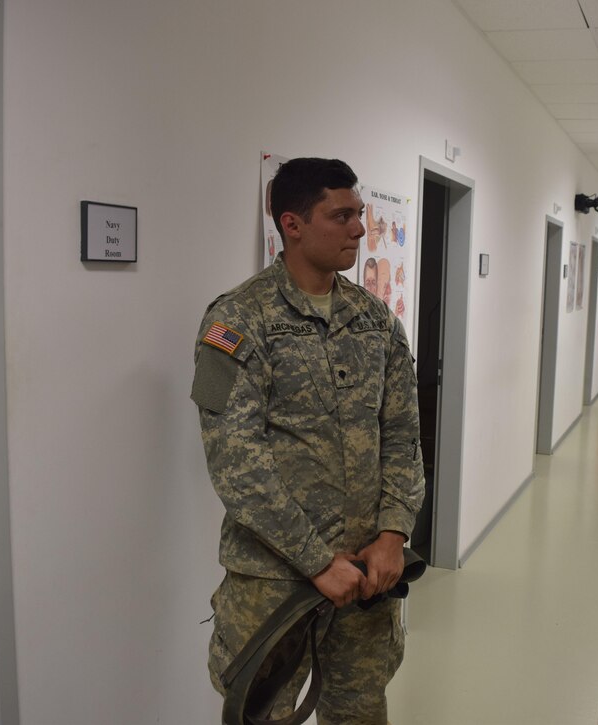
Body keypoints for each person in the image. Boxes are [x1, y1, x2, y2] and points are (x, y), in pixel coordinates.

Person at [191, 157, 425, 724]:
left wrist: (394, 534)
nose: (359, 229)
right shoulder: (238, 321)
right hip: (276, 584)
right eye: (340, 215)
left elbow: (402, 435)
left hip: (368, 578)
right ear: (291, 224)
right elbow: (237, 465)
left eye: (360, 214)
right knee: (263, 713)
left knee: (360, 713)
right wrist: (318, 561)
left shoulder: (375, 322)